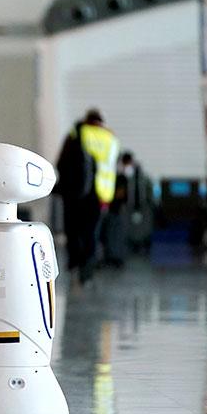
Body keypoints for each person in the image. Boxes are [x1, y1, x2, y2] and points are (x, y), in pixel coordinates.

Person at [54, 108, 119, 284]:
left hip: (76, 193)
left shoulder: (79, 132)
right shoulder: (110, 138)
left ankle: (74, 263)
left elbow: (61, 162)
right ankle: (87, 270)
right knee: (91, 232)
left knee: (73, 230)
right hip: (100, 194)